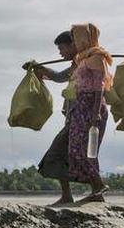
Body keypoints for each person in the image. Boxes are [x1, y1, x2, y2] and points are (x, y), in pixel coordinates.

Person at [32, 30, 82, 205]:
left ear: (72, 46)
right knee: (63, 155)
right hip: (74, 116)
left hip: (80, 116)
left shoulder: (84, 63)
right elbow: (61, 77)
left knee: (57, 153)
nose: (60, 53)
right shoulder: (77, 64)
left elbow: (61, 77)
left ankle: (97, 188)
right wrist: (40, 69)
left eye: (62, 48)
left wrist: (43, 70)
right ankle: (67, 195)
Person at [65, 23, 112, 204]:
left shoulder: (97, 58)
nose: (75, 43)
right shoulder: (82, 59)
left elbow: (99, 87)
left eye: (76, 39)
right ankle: (96, 192)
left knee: (86, 150)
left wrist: (95, 114)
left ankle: (99, 186)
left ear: (84, 38)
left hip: (92, 106)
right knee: (75, 149)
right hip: (80, 105)